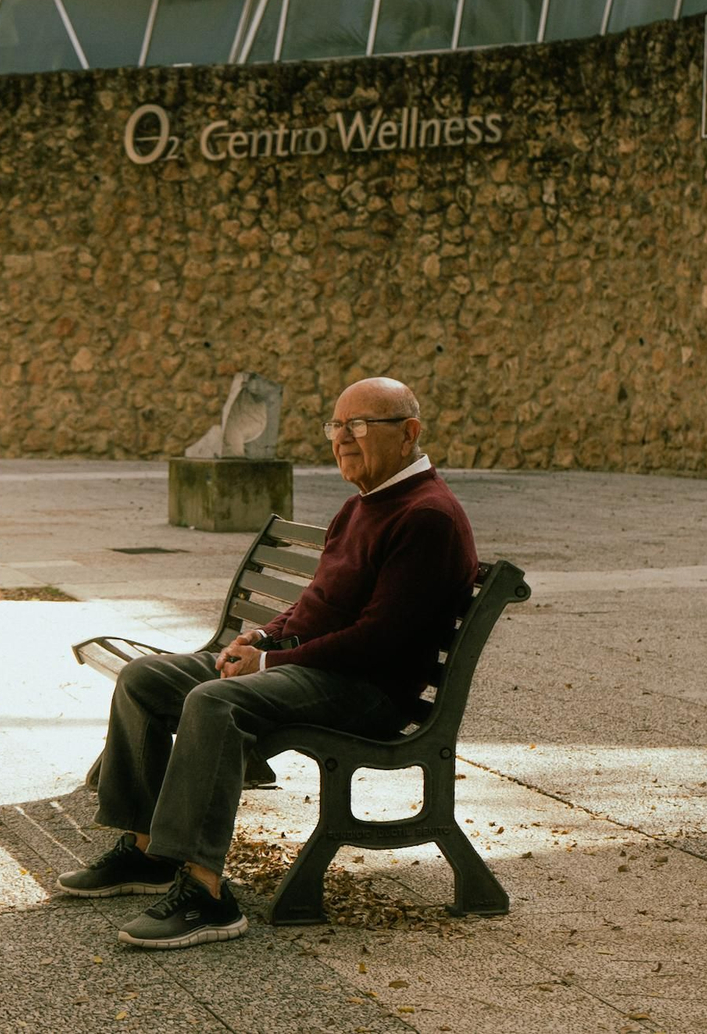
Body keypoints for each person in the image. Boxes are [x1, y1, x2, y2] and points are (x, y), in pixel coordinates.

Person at [59, 377, 478, 950]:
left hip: (370, 691)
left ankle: (206, 895)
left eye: (359, 426)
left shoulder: (427, 516)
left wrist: (266, 664)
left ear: (408, 434)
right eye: (336, 427)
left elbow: (382, 640)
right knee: (145, 679)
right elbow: (318, 605)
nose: (343, 440)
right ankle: (145, 854)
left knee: (214, 701)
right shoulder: (364, 504)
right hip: (322, 672)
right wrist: (262, 635)